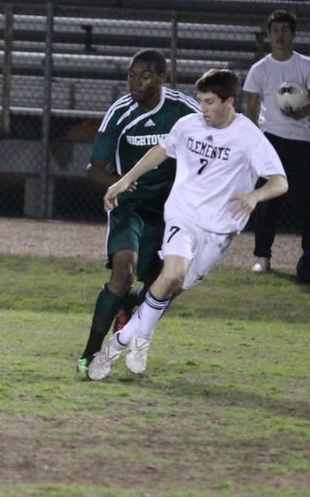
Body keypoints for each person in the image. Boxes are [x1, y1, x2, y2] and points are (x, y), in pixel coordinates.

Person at [87, 68, 288, 381]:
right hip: (183, 215)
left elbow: (280, 182)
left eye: (209, 102)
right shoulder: (188, 125)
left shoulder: (248, 136)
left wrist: (254, 196)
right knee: (171, 274)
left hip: (219, 231)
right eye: (201, 100)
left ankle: (128, 339)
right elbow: (160, 152)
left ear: (229, 102)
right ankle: (121, 347)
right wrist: (124, 180)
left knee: (171, 288)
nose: (203, 108)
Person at [76, 50, 200, 376]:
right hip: (128, 205)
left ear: (162, 79)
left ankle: (132, 308)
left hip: (170, 209)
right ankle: (89, 353)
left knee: (166, 285)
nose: (135, 82)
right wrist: (118, 183)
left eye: (144, 76)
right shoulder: (120, 112)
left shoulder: (185, 111)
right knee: (122, 272)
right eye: (131, 74)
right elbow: (93, 169)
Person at [244, 9, 310, 272]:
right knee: (268, 201)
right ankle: (262, 257)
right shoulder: (260, 69)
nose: (280, 35)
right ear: (269, 34)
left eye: (285, 30)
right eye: (275, 30)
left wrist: (300, 112)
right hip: (271, 141)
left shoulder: (306, 65)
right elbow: (251, 109)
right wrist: (254, 142)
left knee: (308, 201)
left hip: (300, 140)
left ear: (293, 34)